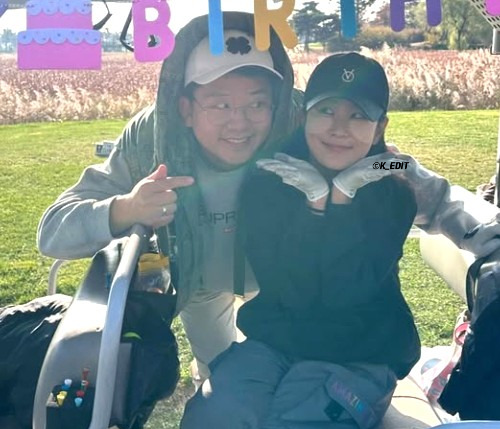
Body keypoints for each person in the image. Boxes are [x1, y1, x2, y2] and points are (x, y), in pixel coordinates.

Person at [37, 11, 500, 384]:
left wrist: (472, 227)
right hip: (203, 283)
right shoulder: (151, 139)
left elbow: (401, 169)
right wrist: (126, 209)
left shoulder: (308, 117)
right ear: (185, 107)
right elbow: (53, 230)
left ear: (277, 100)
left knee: (286, 390)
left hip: (291, 282)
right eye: (220, 103)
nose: (240, 122)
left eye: (257, 102)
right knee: (219, 382)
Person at [171, 52, 420, 429]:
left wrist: (341, 199)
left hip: (360, 355)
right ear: (304, 116)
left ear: (380, 127)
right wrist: (313, 205)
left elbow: (345, 294)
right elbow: (294, 292)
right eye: (326, 110)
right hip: (278, 343)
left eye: (358, 116)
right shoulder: (272, 178)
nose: (339, 128)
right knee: (210, 420)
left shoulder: (392, 192)